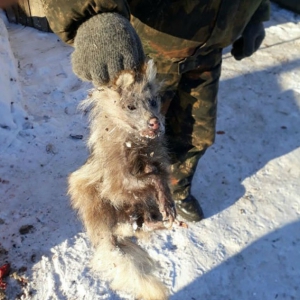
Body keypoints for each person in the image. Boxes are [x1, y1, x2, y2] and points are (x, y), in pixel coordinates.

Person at [41, 0, 270, 222]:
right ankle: (127, 198)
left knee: (197, 135)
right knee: (131, 140)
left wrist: (256, 12)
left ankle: (175, 189)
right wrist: (92, 15)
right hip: (149, 49)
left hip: (210, 48)